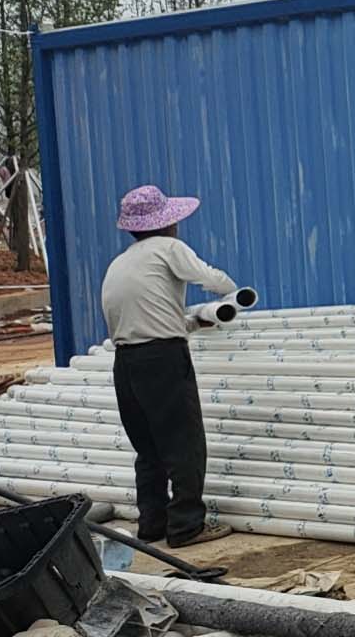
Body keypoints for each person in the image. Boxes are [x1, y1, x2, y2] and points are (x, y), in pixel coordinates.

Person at [99, 185, 239, 548]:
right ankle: (187, 526)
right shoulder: (168, 248)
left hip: (126, 363)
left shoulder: (119, 264)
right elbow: (210, 278)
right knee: (184, 443)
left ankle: (153, 525)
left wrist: (193, 323)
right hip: (164, 360)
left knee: (149, 448)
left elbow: (146, 318)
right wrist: (232, 294)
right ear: (167, 223)